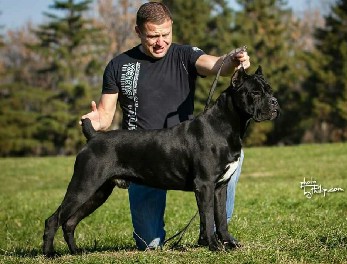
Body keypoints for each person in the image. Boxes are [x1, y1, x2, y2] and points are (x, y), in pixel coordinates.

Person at [81, 2, 250, 250]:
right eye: (153, 36)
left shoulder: (185, 55)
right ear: (138, 31)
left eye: (165, 34)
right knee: (149, 244)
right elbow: (106, 116)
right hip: (141, 157)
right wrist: (94, 121)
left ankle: (213, 234)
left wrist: (233, 60)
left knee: (232, 156)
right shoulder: (119, 65)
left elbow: (217, 66)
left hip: (185, 152)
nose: (161, 42)